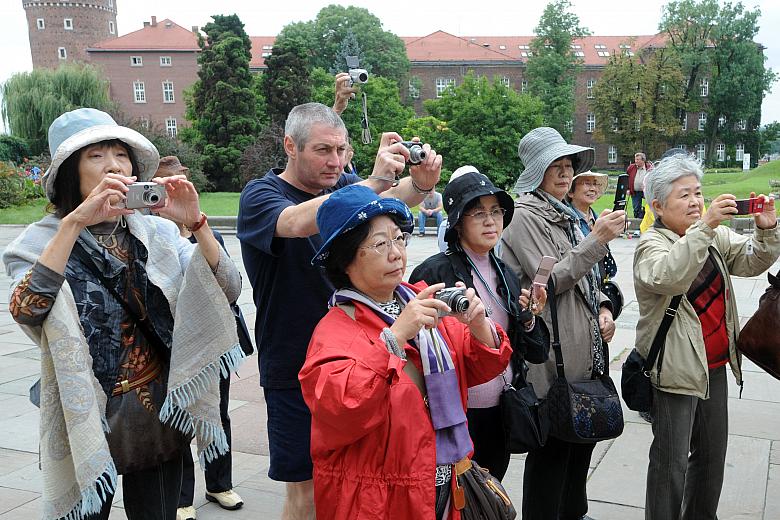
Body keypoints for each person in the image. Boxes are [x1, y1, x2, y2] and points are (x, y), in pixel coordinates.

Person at [3, 108, 242, 520]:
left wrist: (197, 224)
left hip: (156, 409)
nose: (113, 164)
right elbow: (28, 310)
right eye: (96, 156)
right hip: (85, 408)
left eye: (120, 154)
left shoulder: (157, 232)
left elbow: (228, 291)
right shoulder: (39, 240)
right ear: (69, 174)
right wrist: (75, 223)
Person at [237, 102, 441, 519]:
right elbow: (296, 222)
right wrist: (374, 181)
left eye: (342, 150)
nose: (336, 161)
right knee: (307, 491)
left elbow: (379, 203)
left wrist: (419, 185)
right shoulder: (261, 194)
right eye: (323, 151)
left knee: (365, 482)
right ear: (290, 146)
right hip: (295, 365)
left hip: (365, 358)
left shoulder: (346, 185)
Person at [299, 184, 512, 519]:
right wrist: (394, 338)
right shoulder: (334, 329)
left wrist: (478, 324)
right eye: (381, 244)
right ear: (346, 259)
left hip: (446, 482)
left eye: (399, 239)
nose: (396, 253)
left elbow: (476, 367)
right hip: (379, 498)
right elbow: (342, 407)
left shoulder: (418, 299)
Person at [633, 153, 780, 519]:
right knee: (671, 466)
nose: (696, 202)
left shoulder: (712, 236)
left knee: (712, 458)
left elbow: (751, 262)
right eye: (684, 195)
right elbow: (670, 275)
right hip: (676, 373)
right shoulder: (651, 245)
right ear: (658, 205)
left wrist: (766, 230)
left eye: (698, 193)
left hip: (715, 367)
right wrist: (706, 226)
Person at [501, 127, 626, 520]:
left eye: (568, 165)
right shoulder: (524, 216)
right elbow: (550, 281)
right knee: (552, 455)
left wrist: (605, 309)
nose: (564, 173)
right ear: (536, 172)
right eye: (554, 166)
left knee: (579, 447)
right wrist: (597, 239)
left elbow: (590, 279)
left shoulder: (568, 214)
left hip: (584, 356)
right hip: (552, 362)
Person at [408, 167, 549, 481]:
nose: (490, 221)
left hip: (501, 408)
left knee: (491, 492)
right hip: (457, 411)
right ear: (458, 222)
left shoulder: (506, 273)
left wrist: (528, 318)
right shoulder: (433, 272)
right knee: (457, 498)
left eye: (496, 211)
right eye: (478, 213)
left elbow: (535, 352)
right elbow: (416, 347)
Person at [151, 156, 249, 520]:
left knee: (217, 413)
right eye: (163, 184)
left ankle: (219, 483)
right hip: (168, 344)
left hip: (211, 342)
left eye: (179, 182)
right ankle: (181, 497)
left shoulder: (206, 231)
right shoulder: (145, 237)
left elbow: (229, 288)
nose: (172, 189)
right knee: (178, 419)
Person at [627, 152, 652, 219]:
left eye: (638, 159)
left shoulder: (649, 168)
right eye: (635, 159)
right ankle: (637, 221)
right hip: (635, 192)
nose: (636, 161)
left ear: (643, 160)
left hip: (647, 192)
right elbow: (627, 178)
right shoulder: (631, 168)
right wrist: (627, 189)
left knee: (649, 207)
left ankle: (647, 221)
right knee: (636, 208)